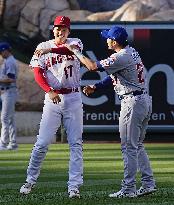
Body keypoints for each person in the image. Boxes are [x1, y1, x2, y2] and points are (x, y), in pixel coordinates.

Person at [65, 26, 157, 198]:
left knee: (128, 147)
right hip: (142, 100)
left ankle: (129, 189)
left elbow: (92, 66)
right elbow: (114, 75)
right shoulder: (131, 50)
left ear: (114, 42)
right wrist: (97, 86)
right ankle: (148, 183)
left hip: (133, 102)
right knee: (136, 146)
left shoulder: (121, 56)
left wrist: (76, 52)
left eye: (108, 37)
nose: (106, 39)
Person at [19, 16, 83, 199]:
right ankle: (30, 180)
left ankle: (74, 186)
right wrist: (49, 90)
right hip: (53, 98)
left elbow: (70, 51)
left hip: (73, 97)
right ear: (53, 29)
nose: (60, 31)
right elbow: (38, 73)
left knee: (75, 144)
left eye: (64, 28)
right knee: (42, 143)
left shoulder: (75, 42)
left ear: (69, 31)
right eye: (57, 28)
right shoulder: (41, 46)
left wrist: (48, 49)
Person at [0, 42, 18, 151]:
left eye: (1, 51)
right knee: (10, 119)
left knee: (5, 118)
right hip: (6, 92)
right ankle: (13, 143)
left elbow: (12, 79)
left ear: (6, 50)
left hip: (9, 91)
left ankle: (3, 143)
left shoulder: (10, 61)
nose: (1, 54)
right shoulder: (7, 61)